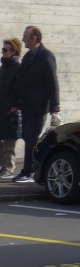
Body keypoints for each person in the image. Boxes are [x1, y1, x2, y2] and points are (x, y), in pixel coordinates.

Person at [12, 25, 59, 184]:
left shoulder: (46, 56)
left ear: (34, 38)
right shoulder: (28, 57)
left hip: (38, 107)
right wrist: (16, 102)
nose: (23, 39)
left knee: (31, 139)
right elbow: (20, 82)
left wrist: (54, 107)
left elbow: (52, 83)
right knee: (27, 138)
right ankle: (29, 170)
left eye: (25, 37)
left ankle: (28, 171)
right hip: (27, 106)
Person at [0, 37, 21, 179]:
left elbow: (20, 89)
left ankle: (8, 168)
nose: (2, 52)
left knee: (9, 141)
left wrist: (16, 105)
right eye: (2, 49)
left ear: (13, 51)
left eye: (5, 50)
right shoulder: (3, 67)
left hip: (11, 109)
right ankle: (3, 167)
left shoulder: (17, 68)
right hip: (1, 107)